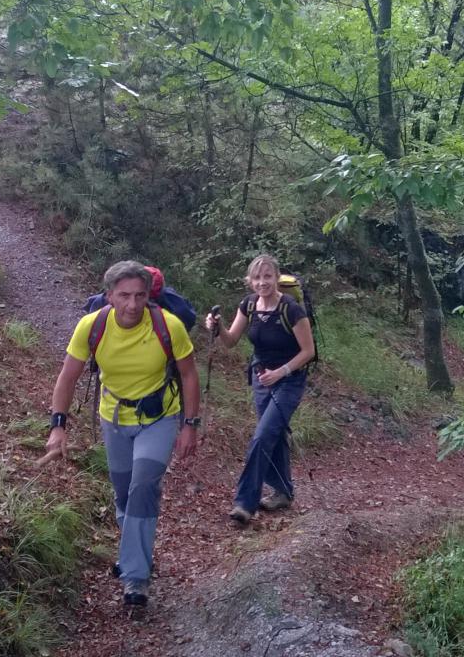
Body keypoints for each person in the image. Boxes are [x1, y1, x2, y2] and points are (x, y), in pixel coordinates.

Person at [48, 260, 201, 616]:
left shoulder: (169, 326)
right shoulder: (92, 326)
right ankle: (137, 550)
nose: (132, 305)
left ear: (149, 296)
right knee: (123, 494)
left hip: (159, 418)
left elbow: (189, 375)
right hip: (113, 419)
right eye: (124, 296)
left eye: (140, 296)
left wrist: (190, 425)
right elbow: (67, 377)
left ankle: (135, 578)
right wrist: (58, 425)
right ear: (109, 296)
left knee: (143, 488)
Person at [205, 254, 315, 525]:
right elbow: (230, 341)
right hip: (261, 378)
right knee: (273, 435)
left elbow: (309, 352)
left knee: (263, 435)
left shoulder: (291, 309)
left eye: (267, 276)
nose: (262, 282)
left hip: (289, 380)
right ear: (250, 281)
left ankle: (245, 503)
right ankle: (284, 491)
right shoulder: (249, 305)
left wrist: (281, 372)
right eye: (257, 277)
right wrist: (217, 327)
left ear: (276, 278)